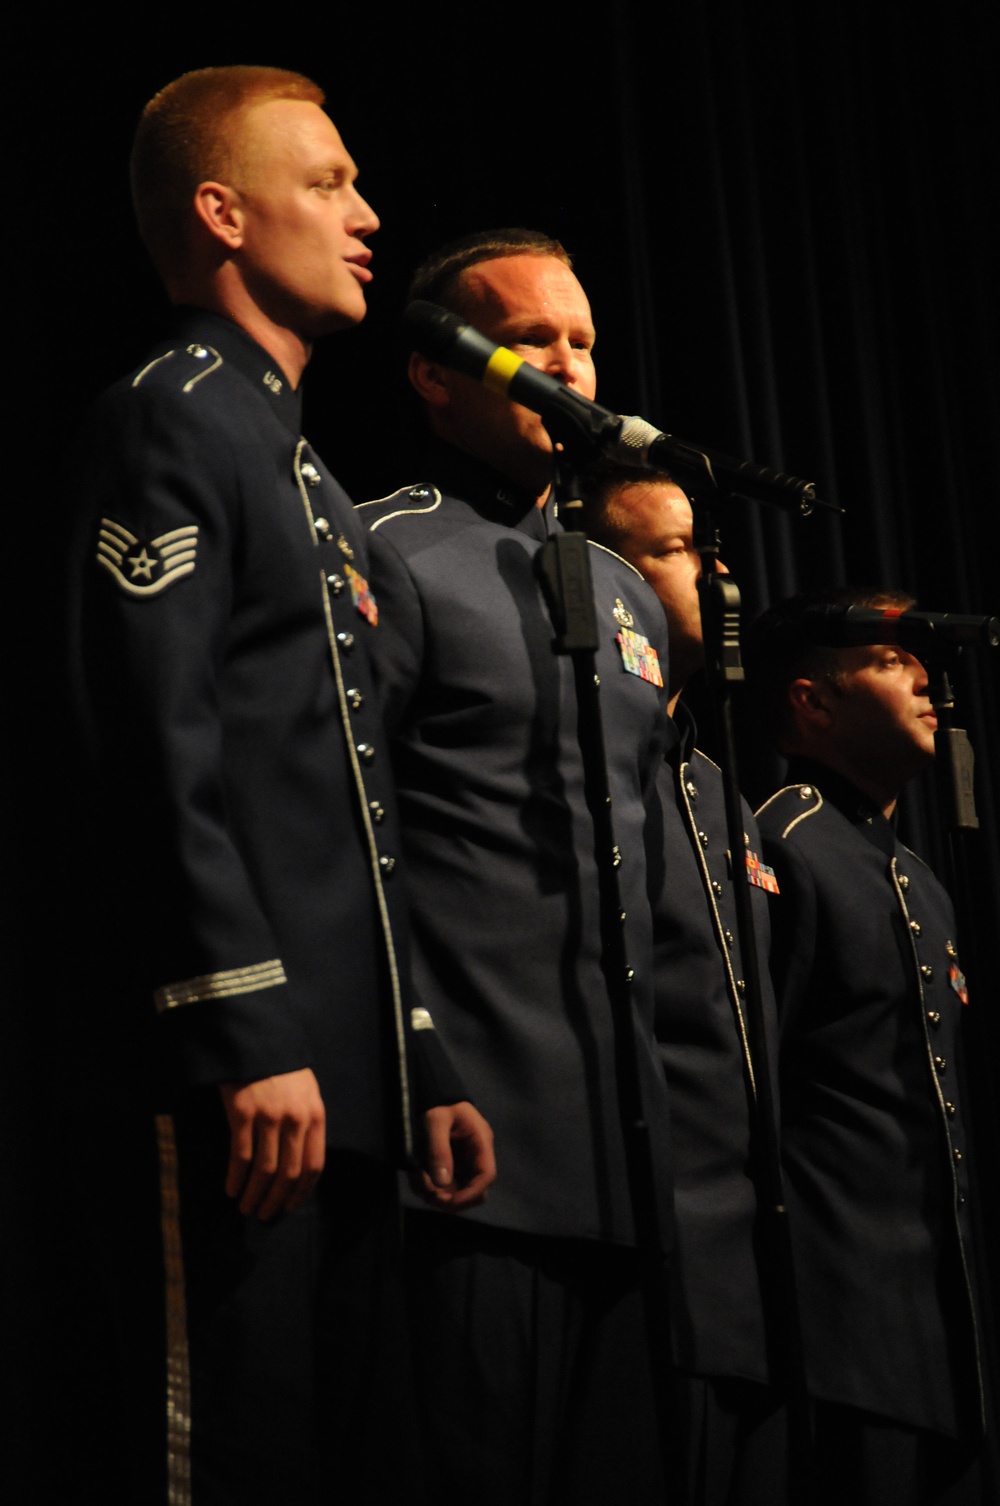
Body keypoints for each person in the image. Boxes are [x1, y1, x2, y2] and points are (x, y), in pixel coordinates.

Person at [66, 66, 493, 1506]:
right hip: (248, 1068)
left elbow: (356, 805)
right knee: (235, 1453)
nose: (367, 214)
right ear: (222, 213)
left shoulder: (303, 470)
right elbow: (152, 739)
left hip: (347, 1073)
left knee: (355, 1456)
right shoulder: (174, 414)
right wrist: (242, 1019)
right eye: (328, 182)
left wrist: (416, 1055)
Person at [358, 230, 676, 1503]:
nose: (568, 366)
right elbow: (348, 835)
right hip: (474, 1159)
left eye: (584, 342)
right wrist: (416, 1061)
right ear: (437, 374)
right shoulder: (390, 549)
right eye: (533, 339)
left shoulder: (625, 593)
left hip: (635, 1168)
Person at [747, 588, 984, 1505]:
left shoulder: (918, 879)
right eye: (891, 664)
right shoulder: (783, 844)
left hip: (937, 1328)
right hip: (837, 1325)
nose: (928, 680)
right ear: (813, 702)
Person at [580, 467, 786, 1505]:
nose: (708, 570)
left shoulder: (718, 786)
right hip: (639, 1249)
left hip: (749, 1277)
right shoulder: (589, 753)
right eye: (669, 549)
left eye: (705, 547)